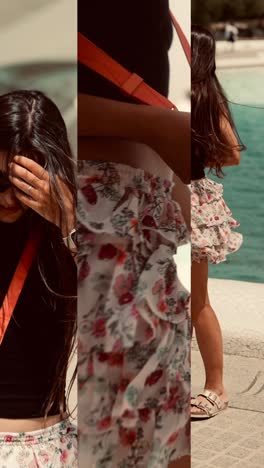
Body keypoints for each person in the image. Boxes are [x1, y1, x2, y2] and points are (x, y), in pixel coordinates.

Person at [78, 1, 191, 467]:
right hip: (90, 233)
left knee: (158, 438)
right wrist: (156, 126)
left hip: (142, 233)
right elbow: (19, 86)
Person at [0, 90, 77, 466]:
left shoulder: (66, 242)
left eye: (25, 186)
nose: (10, 199)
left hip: (39, 450)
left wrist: (69, 221)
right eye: (0, 181)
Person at [191, 25, 244, 419]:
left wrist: (189, 154)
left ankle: (216, 386)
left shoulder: (204, 97)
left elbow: (231, 154)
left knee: (196, 300)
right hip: (164, 197)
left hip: (185, 199)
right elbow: (229, 156)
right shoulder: (205, 94)